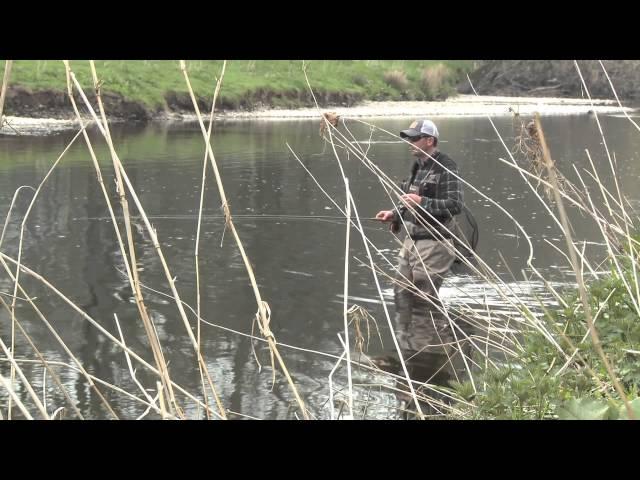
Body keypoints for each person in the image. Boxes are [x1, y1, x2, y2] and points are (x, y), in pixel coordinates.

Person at [374, 119, 468, 415]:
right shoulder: (417, 168)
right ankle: (408, 346)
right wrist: (394, 215)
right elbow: (407, 203)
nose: (410, 142)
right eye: (409, 138)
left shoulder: (446, 166)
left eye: (416, 138)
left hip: (435, 244)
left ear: (430, 140)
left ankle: (426, 354)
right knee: (401, 292)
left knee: (423, 298)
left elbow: (455, 204)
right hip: (412, 241)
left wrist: (422, 201)